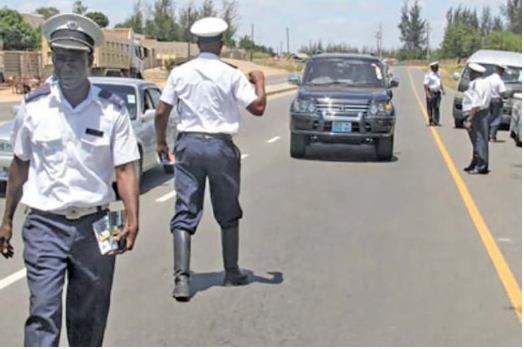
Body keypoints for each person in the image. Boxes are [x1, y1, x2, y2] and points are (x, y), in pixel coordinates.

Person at [0, 14, 140, 346]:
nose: (67, 65)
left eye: (75, 57)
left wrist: (134, 217)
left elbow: (124, 169)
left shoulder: (112, 110)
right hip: (45, 225)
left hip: (96, 226)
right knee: (43, 313)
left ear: (91, 60)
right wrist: (6, 220)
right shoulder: (34, 108)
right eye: (60, 57)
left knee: (89, 316)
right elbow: (20, 165)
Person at [155, 17, 267, 301]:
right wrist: (260, 80)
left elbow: (161, 111)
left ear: (196, 44)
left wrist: (160, 141)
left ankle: (181, 279)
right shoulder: (230, 74)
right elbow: (258, 107)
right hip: (220, 146)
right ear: (220, 44)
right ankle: (231, 272)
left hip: (188, 145)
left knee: (185, 208)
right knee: (227, 209)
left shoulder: (180, 72)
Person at [463, 63, 492, 175]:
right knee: (477, 140)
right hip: (482, 112)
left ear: (475, 73)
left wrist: (470, 119)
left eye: (471, 72)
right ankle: (475, 162)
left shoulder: (477, 85)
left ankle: (481, 166)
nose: (470, 74)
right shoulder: (485, 82)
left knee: (479, 140)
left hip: (477, 114)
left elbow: (476, 103)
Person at [486, 64, 507, 142]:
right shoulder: (499, 80)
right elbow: (502, 92)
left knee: (488, 116)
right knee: (496, 118)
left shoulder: (488, 79)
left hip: (487, 100)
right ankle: (492, 136)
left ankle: (486, 134)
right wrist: (503, 96)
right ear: (500, 71)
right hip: (496, 100)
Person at [424, 61, 446, 126]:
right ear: (432, 67)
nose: (437, 68)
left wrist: (443, 90)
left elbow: (440, 82)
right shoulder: (428, 75)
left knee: (437, 106)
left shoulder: (438, 74)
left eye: (437, 67)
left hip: (438, 92)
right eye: (436, 67)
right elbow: (425, 85)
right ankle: (431, 120)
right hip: (431, 92)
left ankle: (436, 121)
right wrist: (428, 94)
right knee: (430, 107)